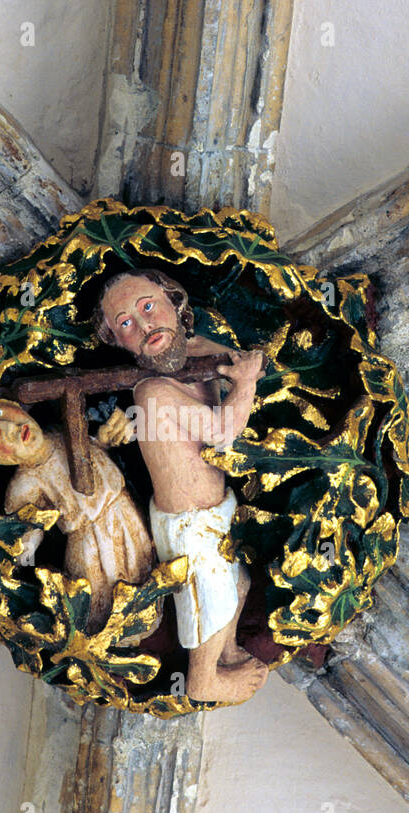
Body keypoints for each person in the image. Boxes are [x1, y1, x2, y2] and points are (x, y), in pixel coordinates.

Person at [94, 269, 269, 704]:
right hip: (187, 522)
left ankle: (226, 651)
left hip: (216, 509)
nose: (144, 324)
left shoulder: (201, 352)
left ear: (175, 302)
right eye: (126, 324)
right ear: (119, 342)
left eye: (148, 307)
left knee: (236, 583)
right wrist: (244, 384)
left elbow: (240, 360)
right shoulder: (151, 393)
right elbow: (224, 431)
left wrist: (246, 367)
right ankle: (203, 678)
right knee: (208, 590)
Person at [0, 396, 153, 632]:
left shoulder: (65, 428)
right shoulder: (25, 486)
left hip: (127, 517)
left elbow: (100, 445)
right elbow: (23, 544)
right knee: (107, 612)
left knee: (144, 583)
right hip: (93, 547)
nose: (9, 429)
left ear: (14, 405)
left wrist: (112, 432)